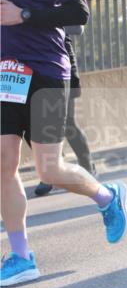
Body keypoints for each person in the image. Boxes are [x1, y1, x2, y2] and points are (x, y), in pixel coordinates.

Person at [1, 0, 127, 287]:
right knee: (3, 164)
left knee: (49, 169)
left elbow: (79, 11)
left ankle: (106, 196)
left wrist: (24, 14)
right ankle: (21, 256)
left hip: (45, 73)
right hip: (6, 76)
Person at [33, 25, 97, 196]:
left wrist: (36, 16)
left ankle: (87, 165)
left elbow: (78, 27)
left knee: (67, 123)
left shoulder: (50, 1)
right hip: (29, 74)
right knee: (40, 127)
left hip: (60, 71)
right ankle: (51, 174)